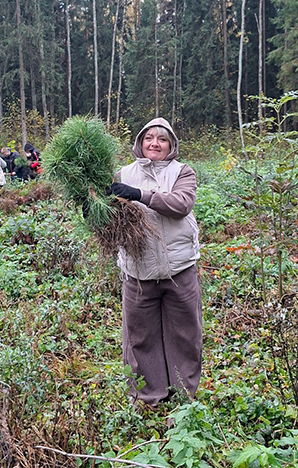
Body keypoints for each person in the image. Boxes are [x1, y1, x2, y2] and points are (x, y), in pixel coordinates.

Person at [106, 117, 202, 408]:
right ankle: (149, 397)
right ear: (140, 142)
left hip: (179, 268)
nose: (154, 144)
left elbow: (181, 205)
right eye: (149, 138)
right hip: (138, 271)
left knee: (185, 334)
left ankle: (184, 398)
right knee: (140, 337)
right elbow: (108, 217)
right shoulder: (123, 174)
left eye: (161, 139)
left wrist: (140, 195)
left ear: (171, 145)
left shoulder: (182, 172)